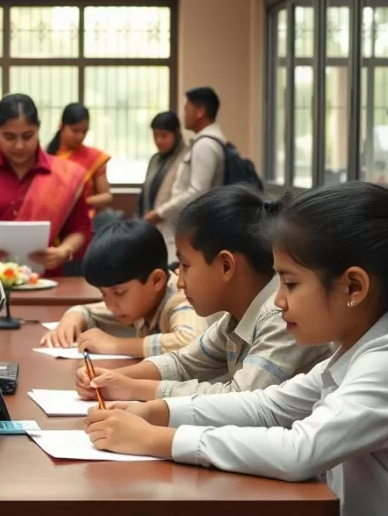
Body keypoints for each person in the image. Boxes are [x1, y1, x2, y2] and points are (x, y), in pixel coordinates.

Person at [86, 181, 388, 516]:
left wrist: (158, 439)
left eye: (290, 283)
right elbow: (269, 407)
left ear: (353, 287)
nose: (277, 301)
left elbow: (299, 451)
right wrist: (158, 412)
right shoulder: (361, 348)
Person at [74, 185, 332, 402]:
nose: (180, 281)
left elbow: (240, 399)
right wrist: (112, 377)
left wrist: (135, 389)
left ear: (226, 266)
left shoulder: (280, 314)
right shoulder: (235, 319)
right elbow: (183, 363)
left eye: (185, 266)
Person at [0, 93, 93, 278]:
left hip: (42, 279)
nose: (19, 145)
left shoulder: (63, 174)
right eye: (9, 137)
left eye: (27, 136)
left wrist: (63, 251)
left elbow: (81, 228)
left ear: (38, 128)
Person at [39, 220, 203, 357]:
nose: (110, 305)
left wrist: (116, 345)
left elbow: (191, 342)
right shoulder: (139, 302)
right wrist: (74, 317)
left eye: (119, 292)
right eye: (103, 293)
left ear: (156, 281)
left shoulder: (183, 299)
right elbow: (91, 311)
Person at [145, 87, 225, 233]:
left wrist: (160, 213)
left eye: (187, 109)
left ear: (200, 111)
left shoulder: (205, 145)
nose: (184, 115)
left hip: (191, 226)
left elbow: (197, 192)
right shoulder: (206, 141)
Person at [137, 111, 188, 259]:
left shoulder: (185, 158)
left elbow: (185, 195)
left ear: (176, 134)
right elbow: (145, 190)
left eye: (164, 136)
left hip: (172, 228)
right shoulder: (155, 159)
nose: (159, 141)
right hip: (150, 224)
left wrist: (159, 213)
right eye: (155, 136)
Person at [46, 103, 112, 214]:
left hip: (86, 218)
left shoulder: (95, 157)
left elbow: (107, 197)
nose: (80, 136)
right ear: (61, 126)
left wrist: (78, 203)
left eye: (84, 131)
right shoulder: (46, 156)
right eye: (75, 131)